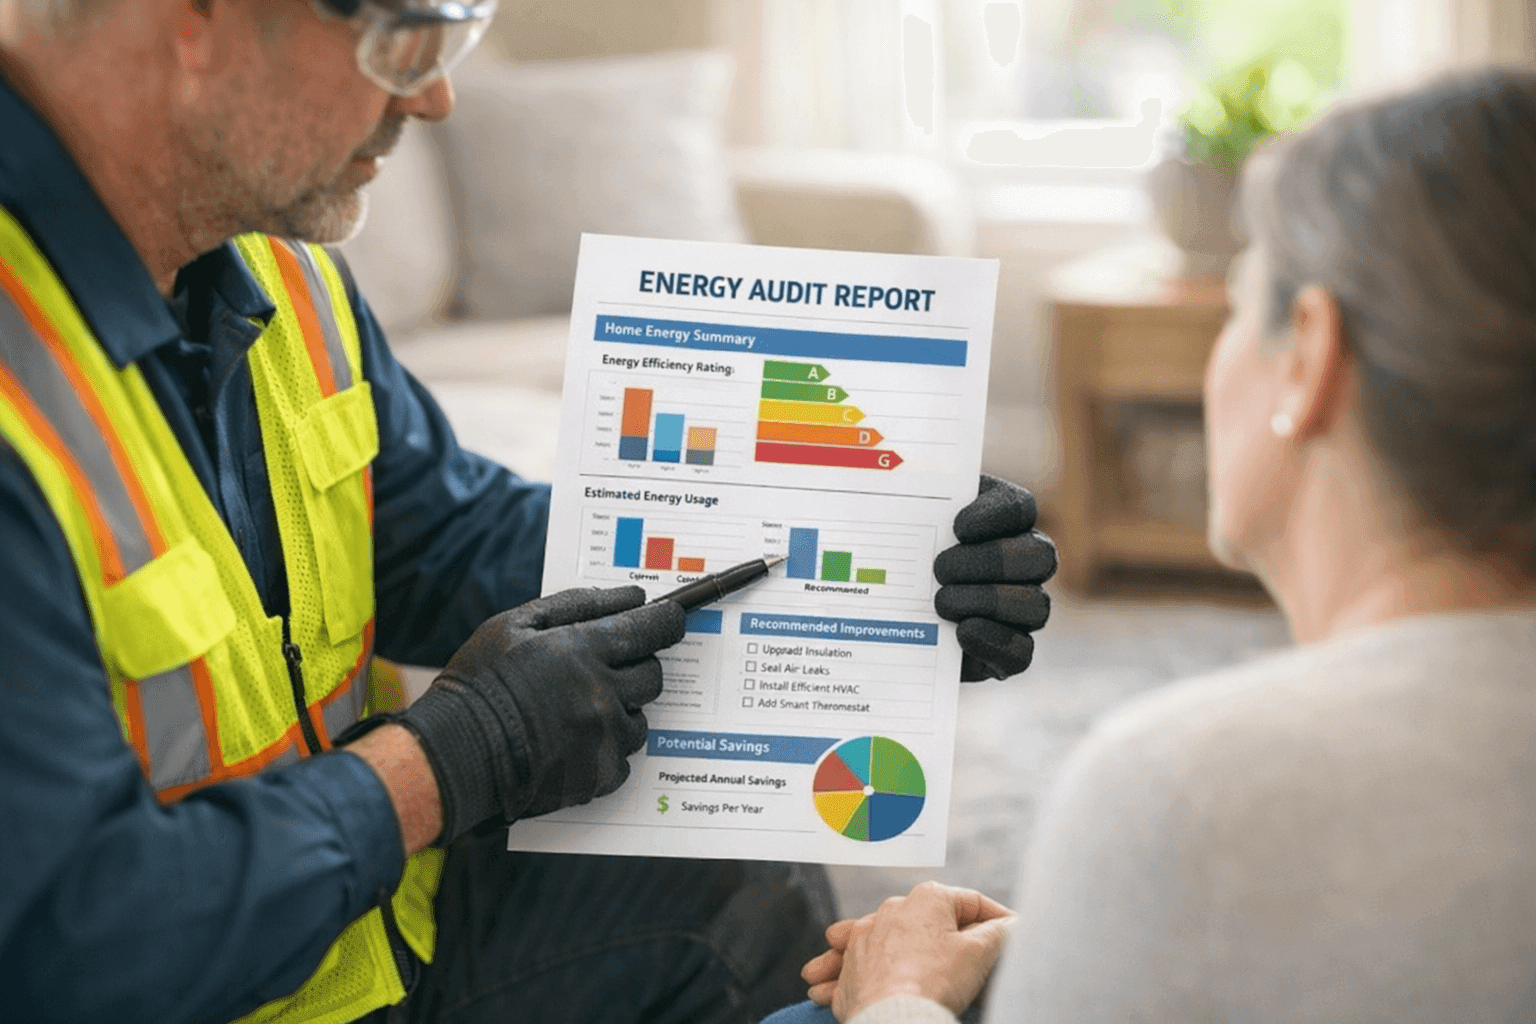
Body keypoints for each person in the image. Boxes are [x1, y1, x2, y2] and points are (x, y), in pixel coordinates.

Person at [0, 0, 1057, 1020]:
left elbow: (441, 537)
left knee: (733, 868)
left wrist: (874, 582)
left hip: (371, 932)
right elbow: (67, 941)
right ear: (200, 15)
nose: (437, 97)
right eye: (403, 36)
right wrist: (441, 765)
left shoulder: (275, 261)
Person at [772, 66, 1536, 1024]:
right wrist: (1080, 944)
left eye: (1235, 300)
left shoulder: (1185, 789)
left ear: (1308, 354)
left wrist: (901, 997)